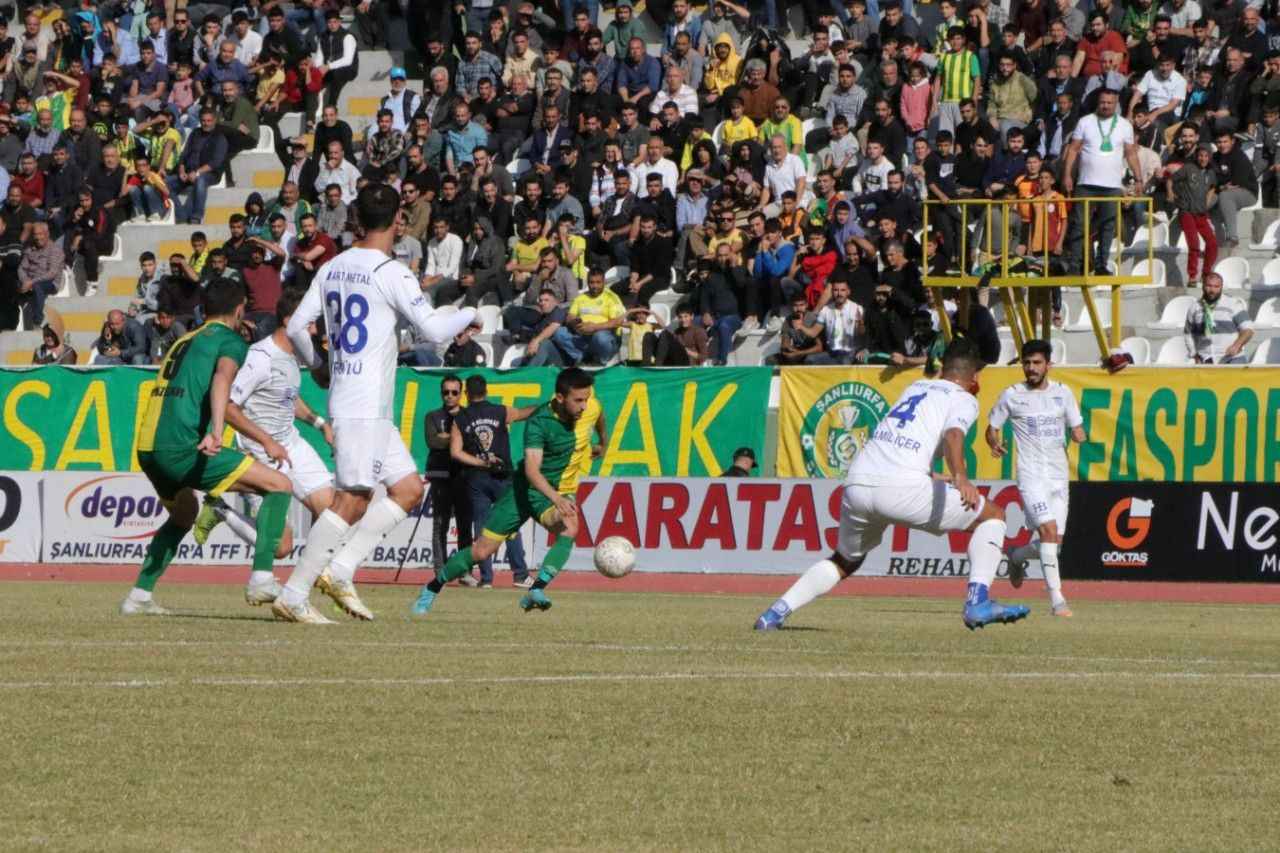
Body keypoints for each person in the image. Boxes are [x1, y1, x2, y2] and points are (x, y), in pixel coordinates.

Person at [281, 184, 477, 624]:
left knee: (408, 488)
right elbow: (433, 329)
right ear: (397, 223)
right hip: (363, 402)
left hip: (358, 399)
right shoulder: (391, 271)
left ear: (356, 220)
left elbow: (296, 326)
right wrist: (471, 313)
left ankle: (341, 569)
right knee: (353, 498)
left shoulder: (332, 267)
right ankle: (294, 592)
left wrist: (318, 364)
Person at [755, 337, 1029, 632]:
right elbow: (953, 436)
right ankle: (978, 601)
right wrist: (961, 477)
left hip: (858, 483)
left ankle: (774, 613)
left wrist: (933, 476)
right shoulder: (963, 398)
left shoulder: (915, 387)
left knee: (845, 560)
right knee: (994, 516)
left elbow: (898, 446)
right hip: (901, 489)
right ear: (974, 375)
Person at [123, 279, 295, 616]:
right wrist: (218, 430)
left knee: (185, 513)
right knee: (280, 485)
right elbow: (222, 380)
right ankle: (261, 578)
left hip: (147, 447)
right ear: (239, 309)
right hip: (181, 448)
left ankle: (139, 596)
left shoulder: (183, 339)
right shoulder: (230, 340)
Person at [189, 288, 365, 613]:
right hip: (260, 449)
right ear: (290, 321)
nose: (315, 330)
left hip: (290, 442)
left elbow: (286, 397)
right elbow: (228, 406)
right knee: (281, 547)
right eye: (310, 323)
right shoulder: (258, 358)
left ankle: (304, 584)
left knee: (332, 510)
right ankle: (220, 510)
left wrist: (319, 422)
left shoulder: (292, 356)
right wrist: (266, 442)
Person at [413, 368, 597, 615]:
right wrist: (557, 499)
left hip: (549, 492)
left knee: (570, 525)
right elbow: (532, 471)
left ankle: (536, 589)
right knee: (481, 550)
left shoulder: (589, 407)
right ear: (561, 398)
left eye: (587, 399)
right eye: (579, 400)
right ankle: (431, 589)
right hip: (523, 490)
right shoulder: (539, 423)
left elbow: (598, 413)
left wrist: (603, 441)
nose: (585, 406)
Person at [986, 338, 1085, 618]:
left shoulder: (1063, 394)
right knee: (1049, 532)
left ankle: (1016, 556)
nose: (1031, 368)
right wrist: (994, 442)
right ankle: (1058, 602)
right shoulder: (1012, 395)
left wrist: (1080, 434)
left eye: (1037, 363)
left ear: (1048, 365)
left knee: (1055, 543)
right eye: (1027, 363)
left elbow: (1076, 426)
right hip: (1031, 476)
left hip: (1058, 476)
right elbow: (991, 428)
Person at [448, 374, 535, 588]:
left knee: (482, 526)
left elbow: (456, 452)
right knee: (510, 524)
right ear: (486, 391)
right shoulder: (500, 411)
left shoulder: (461, 418)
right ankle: (520, 575)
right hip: (503, 475)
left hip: (476, 477)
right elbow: (526, 413)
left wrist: (479, 462)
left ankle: (486, 579)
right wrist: (549, 406)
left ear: (466, 394)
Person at [1061, 89, 1142, 275]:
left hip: (1112, 185)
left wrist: (1138, 178)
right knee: (1080, 224)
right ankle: (1075, 264)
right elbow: (1073, 150)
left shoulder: (1124, 125)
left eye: (1109, 103)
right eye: (1103, 102)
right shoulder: (1085, 121)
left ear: (1116, 104)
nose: (1105, 106)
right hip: (1085, 183)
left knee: (1108, 225)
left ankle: (1101, 264)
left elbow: (1130, 153)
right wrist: (1067, 175)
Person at [1165, 143, 1217, 286]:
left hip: (1201, 213)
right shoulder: (1189, 168)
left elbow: (1213, 187)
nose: (1203, 158)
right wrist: (1170, 192)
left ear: (1210, 157)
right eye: (1201, 155)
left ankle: (1206, 274)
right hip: (1187, 212)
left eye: (1206, 156)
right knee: (1194, 244)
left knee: (1212, 244)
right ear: (1197, 156)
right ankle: (1192, 276)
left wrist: (1207, 203)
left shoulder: (1211, 173)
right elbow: (1170, 179)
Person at [557, 267, 625, 365]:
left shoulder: (611, 297)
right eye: (591, 282)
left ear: (604, 282)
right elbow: (569, 317)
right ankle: (582, 357)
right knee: (559, 332)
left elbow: (618, 322)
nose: (594, 286)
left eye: (598, 282)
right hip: (582, 336)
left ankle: (600, 360)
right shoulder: (580, 298)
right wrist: (575, 323)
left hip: (605, 337)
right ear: (587, 282)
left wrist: (594, 327)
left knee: (600, 337)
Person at [1183, 271, 1253, 364]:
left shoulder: (1233, 304)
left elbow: (1248, 330)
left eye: (1216, 287)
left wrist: (1236, 345)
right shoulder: (1194, 307)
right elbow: (1188, 334)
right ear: (1203, 286)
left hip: (1232, 358)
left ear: (1221, 287)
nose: (1212, 290)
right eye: (1209, 286)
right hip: (1206, 359)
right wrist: (1194, 354)